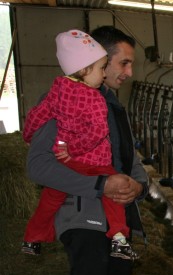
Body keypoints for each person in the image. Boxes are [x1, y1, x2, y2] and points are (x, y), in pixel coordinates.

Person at [26, 26, 148, 275]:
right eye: (123, 63)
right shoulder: (63, 101)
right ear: (97, 61)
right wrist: (100, 184)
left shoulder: (111, 104)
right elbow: (39, 164)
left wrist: (138, 187)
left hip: (116, 221)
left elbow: (129, 159)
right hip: (83, 220)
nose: (129, 71)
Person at [22, 29, 138, 261]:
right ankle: (119, 238)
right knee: (112, 193)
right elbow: (97, 132)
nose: (104, 74)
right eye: (104, 67)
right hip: (86, 199)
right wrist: (75, 153)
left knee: (49, 199)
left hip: (70, 163)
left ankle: (32, 238)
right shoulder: (95, 99)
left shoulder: (59, 92)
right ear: (86, 69)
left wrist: (28, 135)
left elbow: (37, 116)